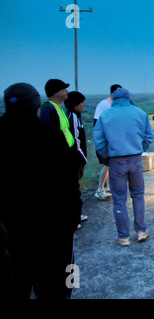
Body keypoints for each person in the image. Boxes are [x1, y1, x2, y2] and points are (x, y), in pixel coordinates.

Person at [0, 83, 82, 298]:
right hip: (52, 229)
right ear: (35, 104)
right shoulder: (50, 136)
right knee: (57, 285)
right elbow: (69, 182)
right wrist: (73, 219)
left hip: (10, 231)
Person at [93, 88, 154, 247]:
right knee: (138, 195)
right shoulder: (140, 113)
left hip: (116, 162)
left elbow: (98, 140)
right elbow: (149, 136)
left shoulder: (105, 116)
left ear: (113, 99)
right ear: (128, 98)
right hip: (135, 159)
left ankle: (124, 237)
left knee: (119, 199)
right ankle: (141, 231)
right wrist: (141, 149)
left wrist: (108, 156)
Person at [93, 84, 122, 200]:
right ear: (113, 93)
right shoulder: (105, 104)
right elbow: (97, 123)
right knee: (107, 164)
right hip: (106, 141)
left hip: (113, 140)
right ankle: (100, 189)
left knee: (111, 165)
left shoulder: (115, 104)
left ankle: (109, 188)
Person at [65, 91, 89, 227]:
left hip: (76, 159)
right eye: (82, 102)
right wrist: (83, 160)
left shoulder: (76, 116)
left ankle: (76, 215)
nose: (84, 104)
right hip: (75, 160)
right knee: (72, 190)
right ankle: (73, 219)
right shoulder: (72, 117)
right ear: (75, 104)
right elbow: (75, 141)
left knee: (75, 189)